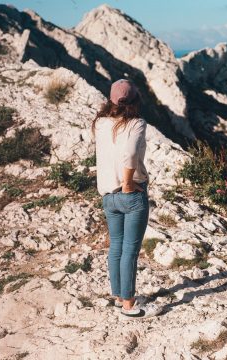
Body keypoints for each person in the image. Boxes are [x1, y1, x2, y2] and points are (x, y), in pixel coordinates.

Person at [92, 79, 161, 319]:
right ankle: (130, 306)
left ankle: (120, 296)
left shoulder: (100, 123)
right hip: (130, 195)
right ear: (135, 101)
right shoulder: (136, 123)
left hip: (108, 196)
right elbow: (130, 153)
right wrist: (129, 184)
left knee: (116, 248)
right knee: (130, 251)